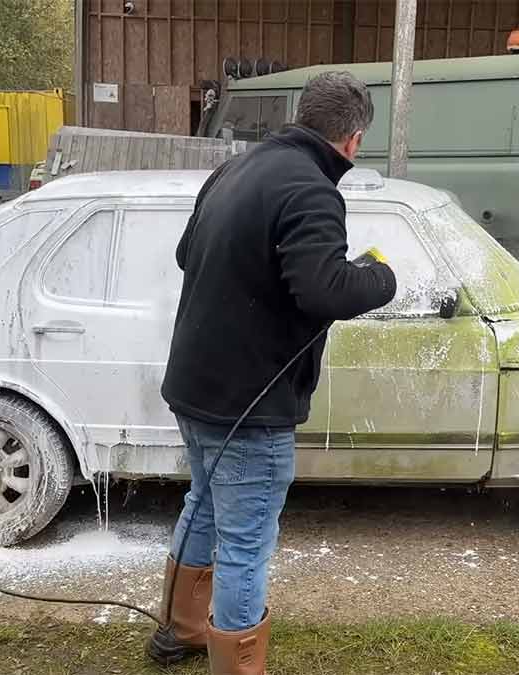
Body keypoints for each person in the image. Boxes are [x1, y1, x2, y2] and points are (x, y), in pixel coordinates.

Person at [147, 71, 396, 674]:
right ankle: (237, 667)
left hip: (195, 387)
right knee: (245, 542)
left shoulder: (236, 169)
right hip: (249, 407)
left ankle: (179, 633)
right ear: (353, 139)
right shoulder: (312, 190)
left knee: (203, 506)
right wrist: (379, 274)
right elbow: (322, 291)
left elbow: (187, 255)